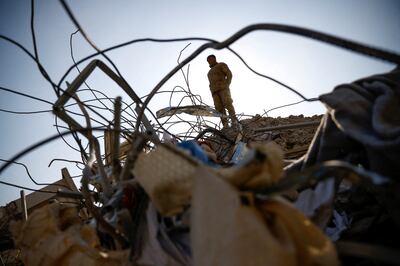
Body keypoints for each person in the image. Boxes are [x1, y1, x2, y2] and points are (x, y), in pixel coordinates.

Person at [207, 54, 237, 127]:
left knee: (228, 103)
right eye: (208, 60)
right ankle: (225, 125)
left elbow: (229, 74)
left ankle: (234, 121)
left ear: (215, 59)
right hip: (214, 92)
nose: (210, 61)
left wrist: (227, 84)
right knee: (219, 108)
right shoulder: (209, 73)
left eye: (211, 59)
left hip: (223, 88)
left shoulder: (221, 65)